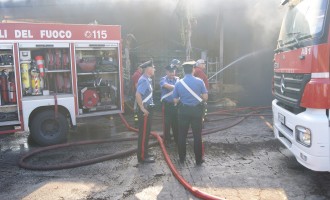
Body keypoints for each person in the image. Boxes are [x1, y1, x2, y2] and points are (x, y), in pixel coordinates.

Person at [173, 60, 208, 165]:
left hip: (183, 111)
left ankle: (182, 158)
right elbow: (205, 98)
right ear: (193, 69)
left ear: (184, 71)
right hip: (197, 111)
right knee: (197, 136)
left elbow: (175, 100)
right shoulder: (200, 81)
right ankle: (198, 160)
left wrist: (183, 98)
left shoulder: (178, 83)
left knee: (182, 135)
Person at [135, 59, 156, 164]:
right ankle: (142, 157)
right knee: (143, 134)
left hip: (148, 109)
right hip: (145, 110)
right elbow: (138, 94)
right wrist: (142, 108)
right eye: (153, 68)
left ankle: (145, 153)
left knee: (146, 133)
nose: (154, 69)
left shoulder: (147, 79)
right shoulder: (144, 80)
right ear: (148, 69)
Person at [159, 59, 180, 146]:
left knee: (176, 123)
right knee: (167, 124)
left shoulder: (177, 79)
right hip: (167, 105)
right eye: (170, 72)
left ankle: (177, 140)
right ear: (167, 72)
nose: (172, 74)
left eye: (173, 72)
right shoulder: (163, 79)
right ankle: (167, 141)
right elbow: (166, 86)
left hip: (176, 105)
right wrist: (177, 87)